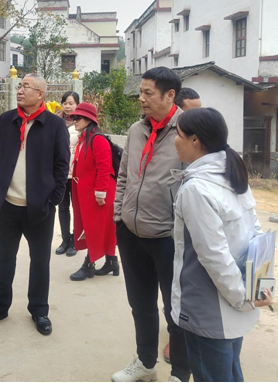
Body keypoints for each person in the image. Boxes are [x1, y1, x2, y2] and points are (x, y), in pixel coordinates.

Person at [171, 107, 273, 382]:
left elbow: (213, 255)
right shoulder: (232, 173)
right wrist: (254, 290)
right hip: (236, 299)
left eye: (178, 134)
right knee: (229, 372)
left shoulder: (196, 188)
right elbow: (256, 236)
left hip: (211, 309)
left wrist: (242, 298)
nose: (174, 141)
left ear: (195, 140)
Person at [112, 67, 190, 382]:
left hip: (169, 239)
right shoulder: (135, 130)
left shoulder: (188, 131)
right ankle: (145, 364)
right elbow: (124, 175)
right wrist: (119, 215)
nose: (141, 98)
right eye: (140, 92)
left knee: (176, 312)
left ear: (170, 95)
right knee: (140, 304)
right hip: (131, 233)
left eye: (148, 93)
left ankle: (181, 373)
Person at [0, 74, 70, 336]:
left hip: (39, 208)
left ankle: (39, 311)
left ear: (41, 94)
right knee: (3, 260)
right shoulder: (7, 120)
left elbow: (61, 166)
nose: (20, 90)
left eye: (26, 87)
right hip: (7, 205)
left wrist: (52, 200)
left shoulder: (54, 125)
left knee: (40, 262)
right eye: (19, 86)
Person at [163, 85, 202, 363]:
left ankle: (186, 344)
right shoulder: (170, 140)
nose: (196, 120)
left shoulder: (205, 149)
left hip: (195, 229)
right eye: (191, 113)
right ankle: (175, 339)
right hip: (169, 227)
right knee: (173, 290)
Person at [67, 102, 119, 281]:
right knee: (103, 228)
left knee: (94, 228)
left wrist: (100, 192)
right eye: (74, 117)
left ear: (89, 120)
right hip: (90, 192)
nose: (75, 120)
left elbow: (105, 167)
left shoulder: (97, 139)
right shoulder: (84, 138)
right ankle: (112, 262)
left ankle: (88, 265)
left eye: (78, 117)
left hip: (99, 193)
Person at [55, 91, 79, 256]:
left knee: (77, 208)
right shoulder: (55, 121)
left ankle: (75, 241)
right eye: (65, 103)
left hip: (78, 173)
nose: (68, 106)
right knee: (62, 206)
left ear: (77, 104)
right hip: (61, 173)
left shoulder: (82, 121)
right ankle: (65, 239)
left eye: (71, 103)